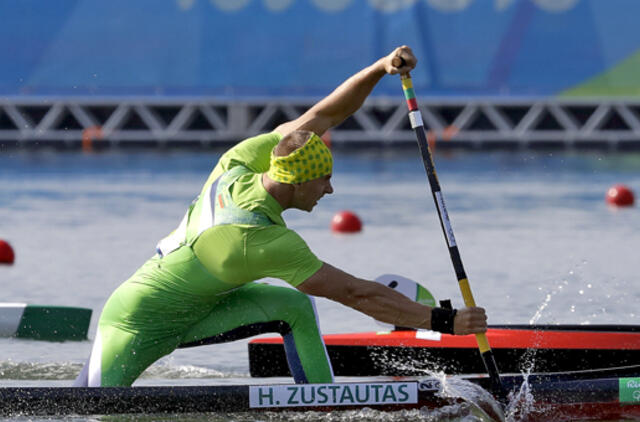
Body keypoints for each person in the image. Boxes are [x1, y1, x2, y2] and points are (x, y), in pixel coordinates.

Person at [74, 45, 487, 387]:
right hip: (134, 323)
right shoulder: (262, 242)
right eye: (324, 181)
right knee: (93, 413)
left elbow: (325, 115)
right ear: (296, 184)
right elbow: (357, 294)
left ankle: (321, 404)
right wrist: (446, 321)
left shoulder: (242, 162)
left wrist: (380, 68)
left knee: (293, 305)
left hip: (202, 309)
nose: (330, 190)